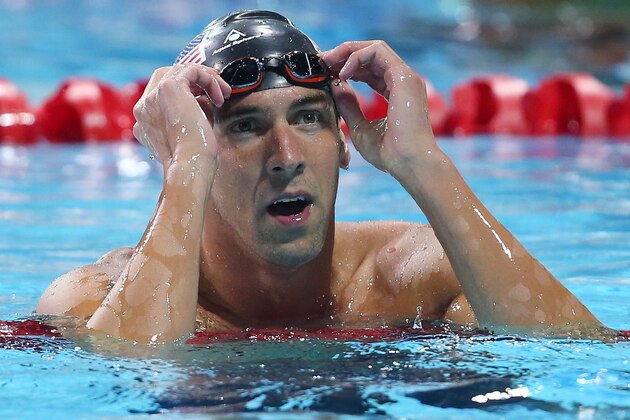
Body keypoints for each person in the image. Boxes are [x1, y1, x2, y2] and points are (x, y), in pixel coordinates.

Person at [36, 10, 613, 344]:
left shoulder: (410, 278)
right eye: (246, 126)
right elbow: (127, 387)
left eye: (309, 119)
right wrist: (184, 169)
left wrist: (425, 167)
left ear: (341, 142)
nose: (286, 155)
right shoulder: (95, 296)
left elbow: (572, 357)